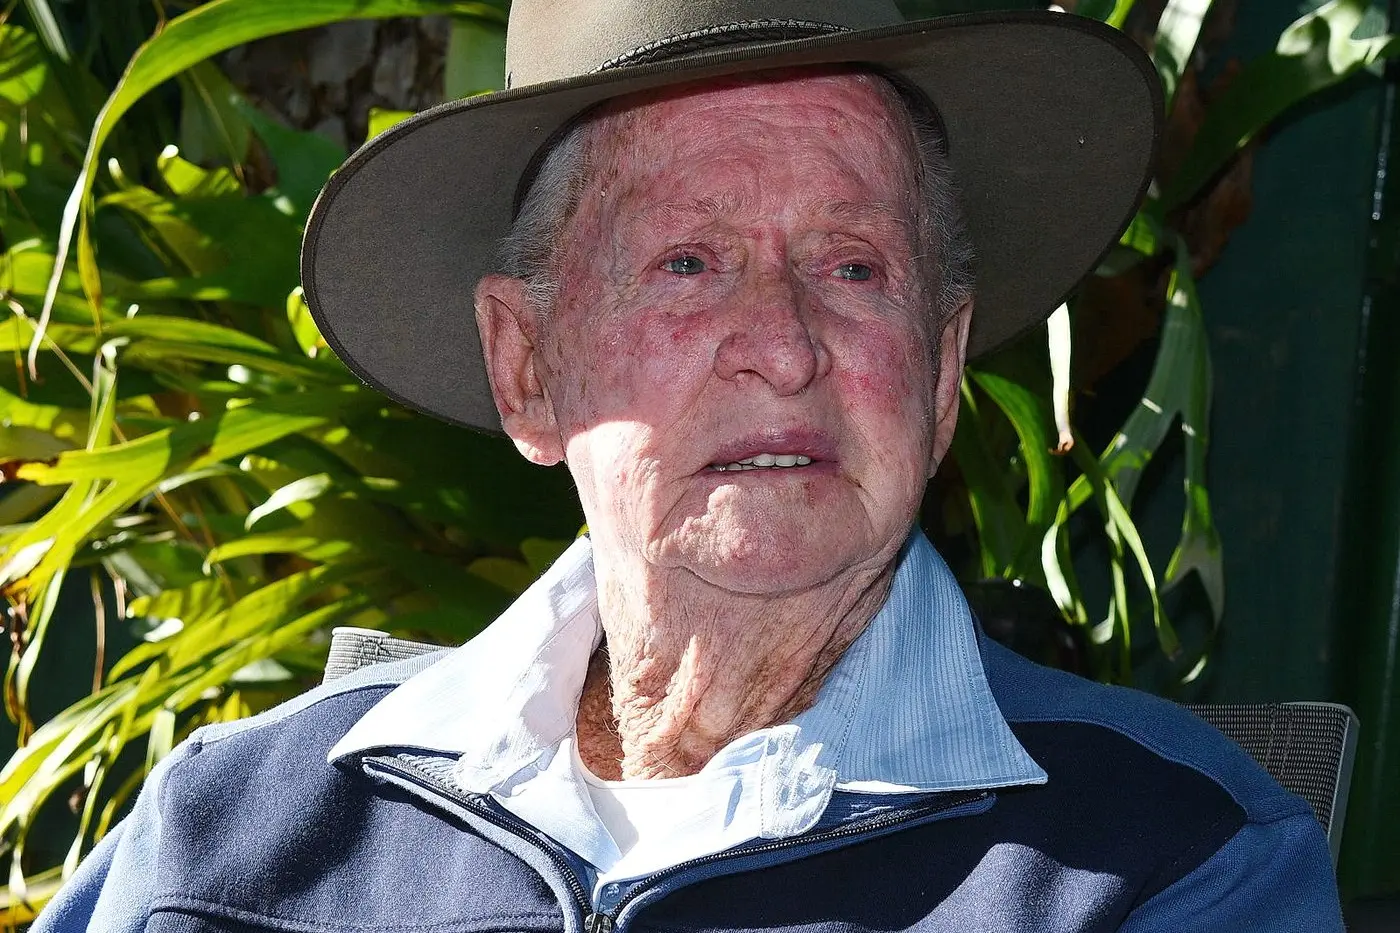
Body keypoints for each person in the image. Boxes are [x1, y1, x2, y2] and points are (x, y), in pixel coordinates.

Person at [35, 1, 1343, 931]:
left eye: (852, 266)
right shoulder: (234, 836)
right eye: (685, 264)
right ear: (528, 366)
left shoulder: (1162, 866)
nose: (781, 346)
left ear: (942, 372)